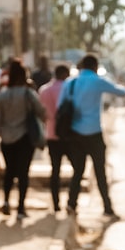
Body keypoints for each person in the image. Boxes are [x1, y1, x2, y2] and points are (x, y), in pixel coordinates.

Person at [58, 53, 125, 218]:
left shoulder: (71, 83)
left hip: (75, 134)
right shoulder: (97, 81)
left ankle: (71, 204)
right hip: (94, 133)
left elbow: (61, 106)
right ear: (95, 67)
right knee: (100, 172)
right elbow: (121, 92)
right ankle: (107, 207)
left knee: (78, 171)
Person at [0, 59, 46, 220]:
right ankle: (21, 208)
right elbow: (42, 113)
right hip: (25, 139)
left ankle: (6, 201)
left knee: (9, 171)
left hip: (6, 140)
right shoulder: (29, 94)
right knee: (23, 173)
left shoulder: (2, 96)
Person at [38, 63, 71, 212]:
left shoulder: (44, 90)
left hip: (51, 135)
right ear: (64, 74)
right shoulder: (68, 88)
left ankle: (56, 204)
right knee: (77, 168)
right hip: (68, 136)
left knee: (55, 171)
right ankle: (71, 201)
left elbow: (41, 113)